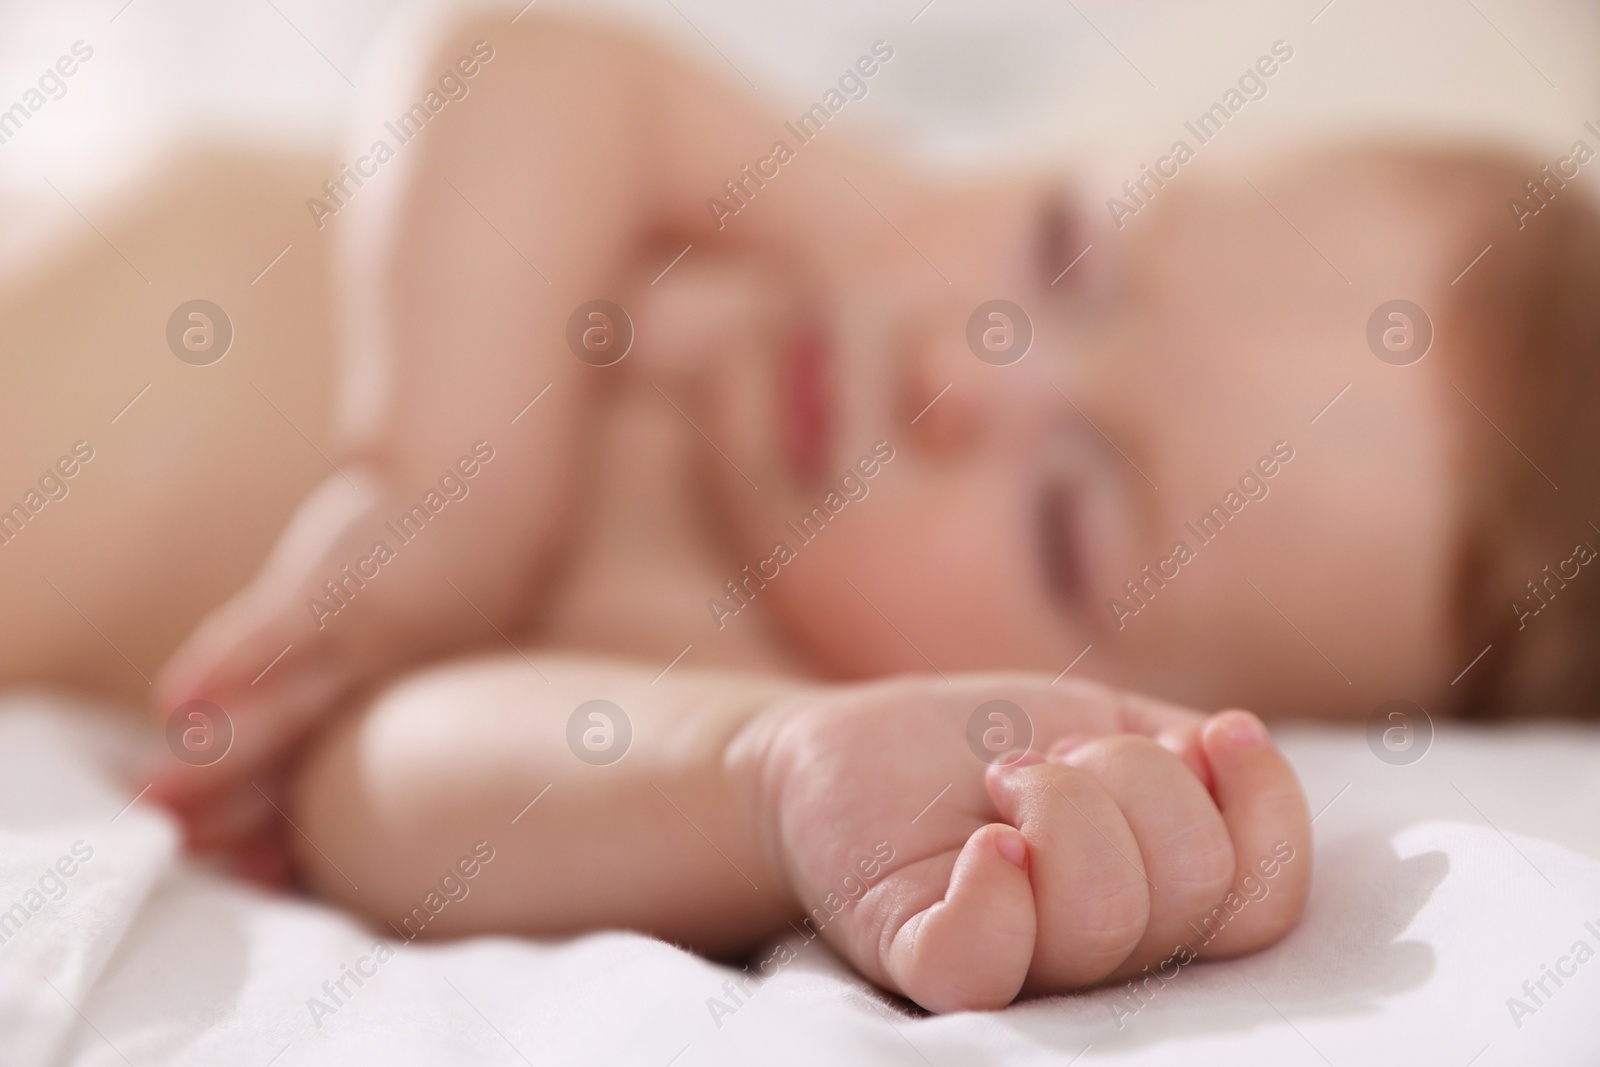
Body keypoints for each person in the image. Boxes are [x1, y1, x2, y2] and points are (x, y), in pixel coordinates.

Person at [8, 11, 1597, 1014]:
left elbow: (375, 795)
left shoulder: (750, 662)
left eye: (1062, 525)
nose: (962, 370)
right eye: (1065, 254)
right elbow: (517, 59)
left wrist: (767, 781)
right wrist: (442, 493)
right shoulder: (813, 225)